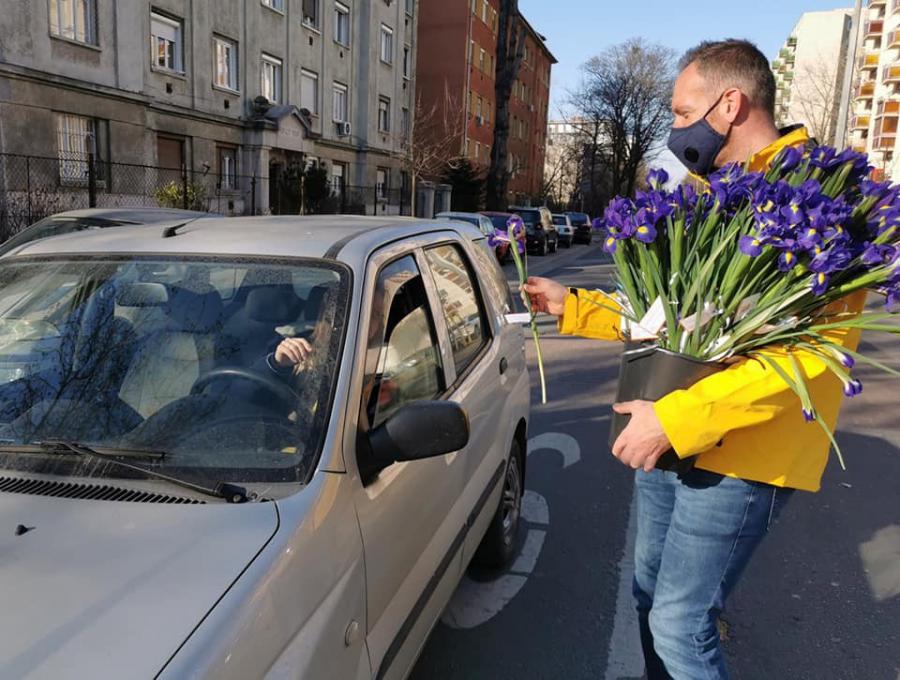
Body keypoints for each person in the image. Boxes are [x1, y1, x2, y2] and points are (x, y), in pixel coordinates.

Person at [523, 40, 868, 680]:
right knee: (650, 600)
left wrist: (672, 421)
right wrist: (571, 304)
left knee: (680, 626)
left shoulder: (824, 197)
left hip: (741, 453)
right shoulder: (707, 195)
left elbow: (810, 363)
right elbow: (669, 316)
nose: (677, 130)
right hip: (672, 431)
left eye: (683, 114)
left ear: (729, 103)